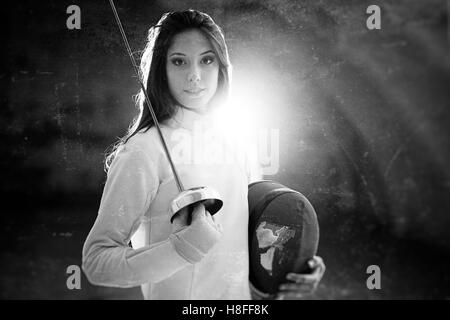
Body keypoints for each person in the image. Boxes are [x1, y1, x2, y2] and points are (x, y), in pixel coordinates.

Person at [82, 9, 325, 300]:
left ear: (222, 65)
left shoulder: (238, 140)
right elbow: (97, 262)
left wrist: (291, 268)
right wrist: (179, 250)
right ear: (162, 69)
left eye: (207, 60)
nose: (195, 76)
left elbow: (245, 247)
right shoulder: (143, 151)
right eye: (179, 61)